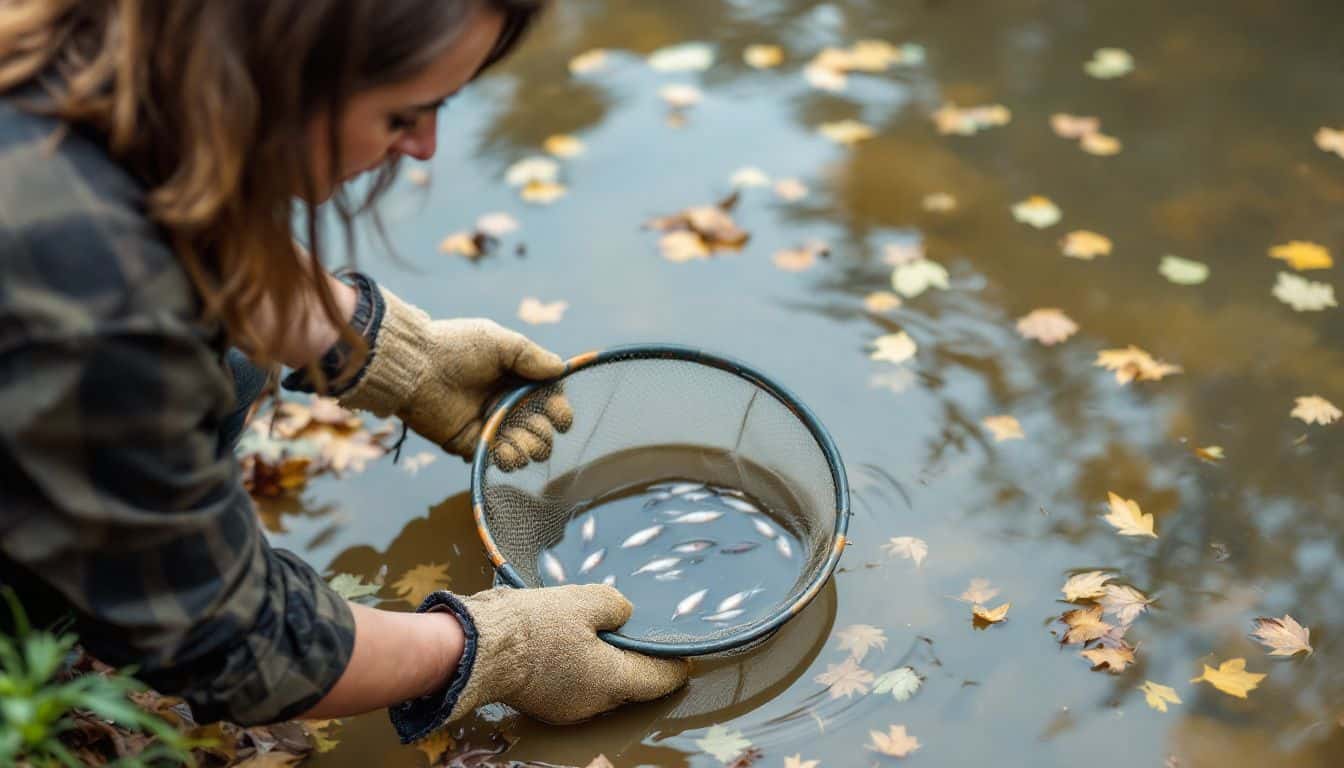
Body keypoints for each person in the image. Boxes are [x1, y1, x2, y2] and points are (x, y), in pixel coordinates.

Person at [0, 0, 688, 744]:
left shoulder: (90, 48)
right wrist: (493, 649)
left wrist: (392, 350)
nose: (425, 148)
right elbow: (238, 637)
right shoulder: (90, 288)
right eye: (403, 116)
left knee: (229, 356)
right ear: (275, 74)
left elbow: (173, 216)